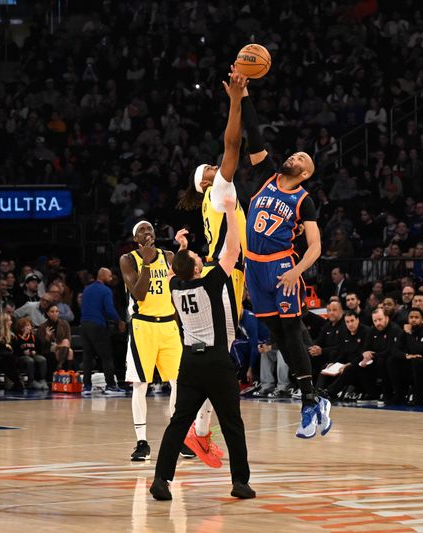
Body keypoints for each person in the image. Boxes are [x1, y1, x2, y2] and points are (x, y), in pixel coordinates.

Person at [241, 72, 330, 438]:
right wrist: (244, 94)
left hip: (281, 268)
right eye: (293, 153)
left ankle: (309, 399)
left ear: (306, 172)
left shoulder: (303, 200)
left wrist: (297, 272)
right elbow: (254, 134)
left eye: (300, 157)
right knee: (277, 333)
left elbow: (316, 246)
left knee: (291, 330)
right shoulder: (267, 175)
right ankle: (315, 396)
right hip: (254, 268)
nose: (293, 155)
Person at [150, 195, 254, 501]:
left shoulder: (175, 286)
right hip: (216, 362)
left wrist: (181, 248)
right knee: (232, 423)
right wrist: (233, 213)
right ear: (197, 268)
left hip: (190, 365)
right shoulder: (209, 284)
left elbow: (173, 271)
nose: (200, 256)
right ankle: (240, 482)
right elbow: (233, 250)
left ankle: (161, 479)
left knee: (178, 423)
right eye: (197, 256)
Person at [175, 69, 248, 466]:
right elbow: (232, 143)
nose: (213, 167)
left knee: (223, 351)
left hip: (227, 274)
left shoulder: (212, 200)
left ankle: (199, 433)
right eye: (206, 170)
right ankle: (198, 433)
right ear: (205, 182)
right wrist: (236, 101)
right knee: (222, 353)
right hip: (226, 275)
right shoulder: (219, 188)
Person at [121, 221, 183, 461]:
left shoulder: (168, 256)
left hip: (168, 324)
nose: (148, 233)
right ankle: (142, 442)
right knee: (140, 384)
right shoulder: (128, 259)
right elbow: (139, 294)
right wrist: (146, 262)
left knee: (179, 382)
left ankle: (178, 439)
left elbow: (181, 285)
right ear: (135, 238)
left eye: (150, 230)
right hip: (143, 326)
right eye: (142, 231)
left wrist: (183, 251)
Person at [80, 268, 127, 396]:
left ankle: (87, 387)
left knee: (87, 357)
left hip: (84, 325)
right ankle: (111, 386)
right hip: (97, 325)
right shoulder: (106, 290)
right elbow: (110, 309)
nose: (111, 279)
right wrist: (119, 321)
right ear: (104, 276)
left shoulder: (87, 289)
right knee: (106, 357)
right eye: (110, 276)